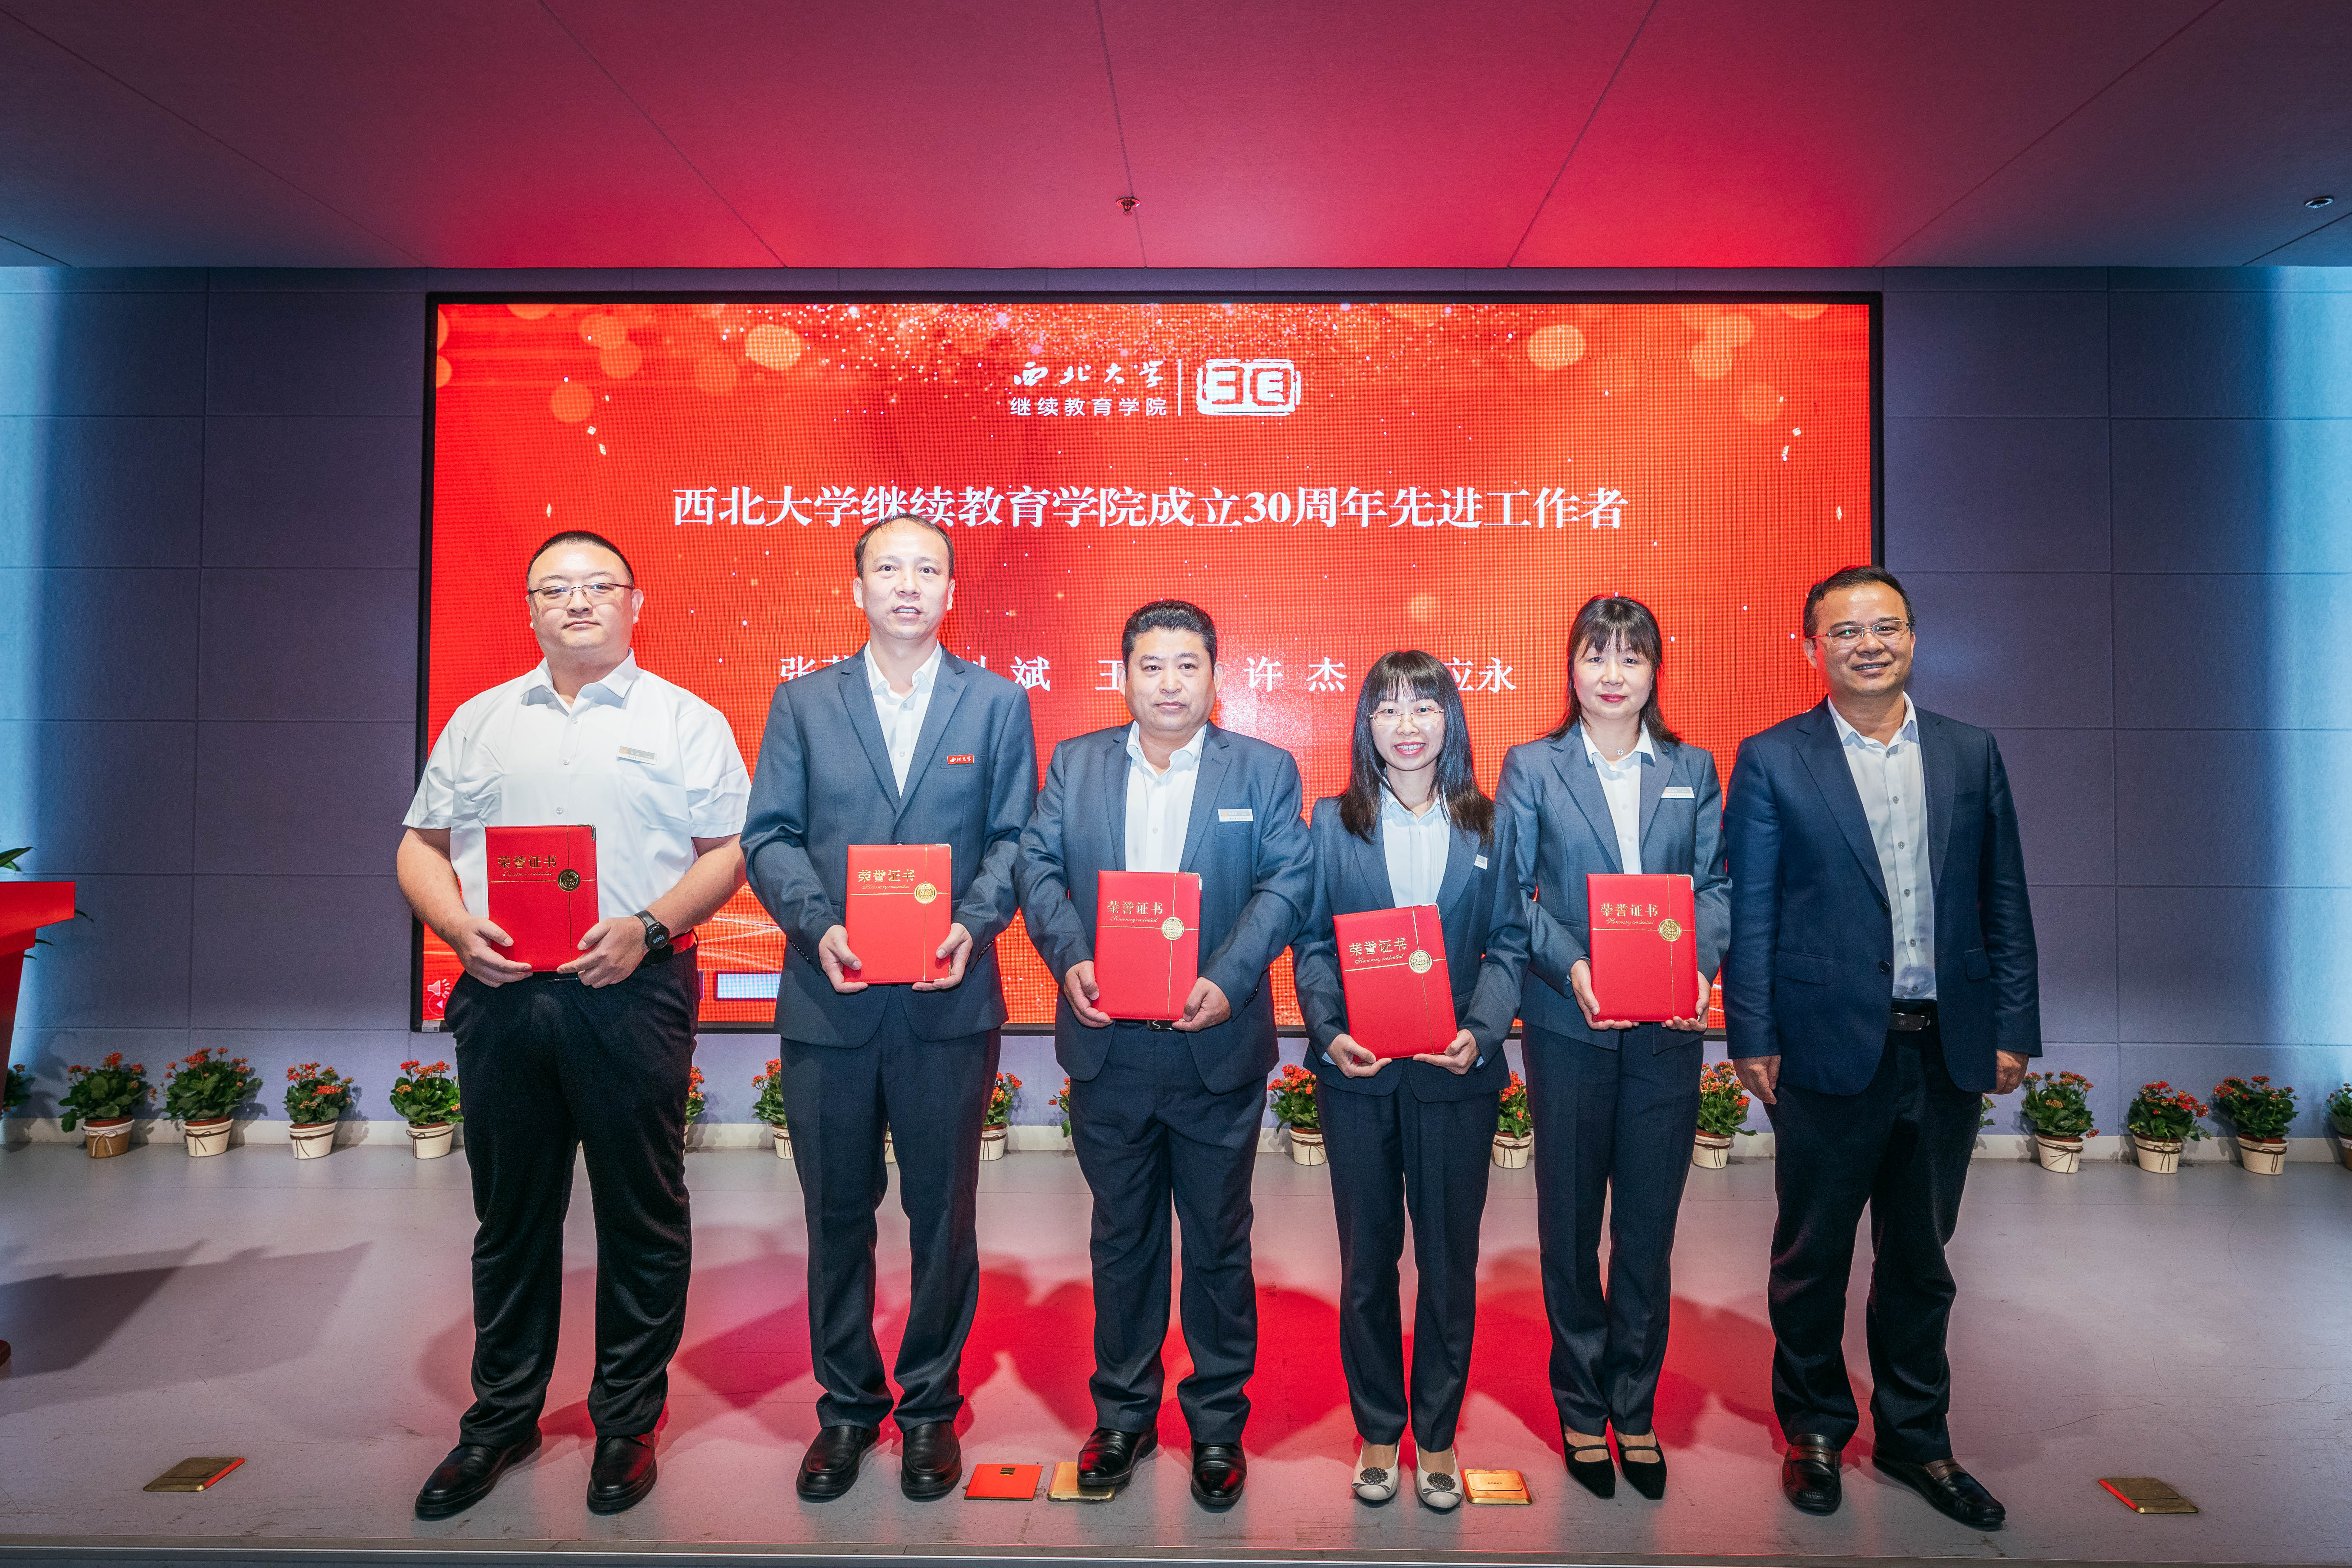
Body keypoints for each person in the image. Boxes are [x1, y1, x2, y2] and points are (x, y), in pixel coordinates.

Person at [398, 529, 750, 1518]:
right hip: (503, 994)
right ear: (530, 609)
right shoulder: (479, 720)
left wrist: (649, 927)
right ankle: (501, 1416)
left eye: (599, 585)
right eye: (555, 588)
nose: (578, 602)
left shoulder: (684, 718)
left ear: (636, 602)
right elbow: (420, 846)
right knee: (510, 1217)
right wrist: (454, 924)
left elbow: (729, 850)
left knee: (642, 1212)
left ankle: (627, 1420)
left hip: (633, 991)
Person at [1723, 564, 2036, 1530]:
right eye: (1846, 630)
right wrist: (1751, 1032)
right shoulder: (1772, 758)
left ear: (1911, 636)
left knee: (1920, 1258)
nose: (1868, 644)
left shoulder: (1968, 751)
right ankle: (1814, 1429)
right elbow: (1753, 911)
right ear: (1811, 646)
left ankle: (1914, 1437)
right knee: (1810, 1256)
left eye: (1885, 626)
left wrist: (2013, 1025)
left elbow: (2002, 897)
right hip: (1823, 1045)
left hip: (1944, 1044)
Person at [739, 513, 1037, 1503]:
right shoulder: (802, 702)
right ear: (857, 585)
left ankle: (929, 1407)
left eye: (928, 569)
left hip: (948, 1002)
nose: (908, 584)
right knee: (835, 1212)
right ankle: (845, 1407)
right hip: (831, 999)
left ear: (951, 589)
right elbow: (769, 836)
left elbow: (1015, 838)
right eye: (889, 567)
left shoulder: (996, 703)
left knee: (942, 1213)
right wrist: (819, 924)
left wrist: (971, 924)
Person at [1015, 599, 1314, 1511]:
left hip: (1212, 1044)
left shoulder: (1262, 768)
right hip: (1108, 1045)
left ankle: (1217, 1422)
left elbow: (1286, 881)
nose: (1169, 683)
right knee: (1122, 1238)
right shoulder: (1075, 764)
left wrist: (1228, 976)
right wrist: (1070, 957)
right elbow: (1036, 867)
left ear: (1215, 676)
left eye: (1188, 665)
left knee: (1218, 1242)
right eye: (1151, 666)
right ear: (1123, 677)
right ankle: (1124, 1416)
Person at [1492, 594, 1727, 1502]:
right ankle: (1581, 1405)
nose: (1613, 674)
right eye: (1596, 655)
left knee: (1646, 1231)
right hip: (1570, 1025)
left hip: (1667, 1033)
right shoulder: (1533, 766)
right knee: (1568, 1225)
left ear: (1654, 671)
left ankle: (1634, 1405)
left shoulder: (1691, 767)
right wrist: (1574, 966)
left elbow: (1715, 885)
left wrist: (1697, 966)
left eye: (1631, 657)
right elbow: (1515, 893)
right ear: (1571, 668)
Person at [1291, 652, 1528, 1511]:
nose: (1405, 724)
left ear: (1448, 720)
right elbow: (1313, 942)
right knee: (1366, 1265)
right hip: (1357, 1075)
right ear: (1366, 723)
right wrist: (1330, 1030)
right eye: (1387, 707)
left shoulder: (1491, 823)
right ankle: (1377, 1429)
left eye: (1422, 706)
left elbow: (1508, 941)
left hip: (1455, 1075)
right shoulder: (1330, 822)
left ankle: (1436, 1433)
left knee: (1448, 1263)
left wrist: (1481, 1030)